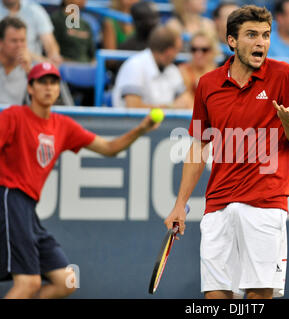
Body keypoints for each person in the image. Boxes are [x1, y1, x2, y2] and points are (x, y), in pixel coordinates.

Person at [164, 5, 289, 299]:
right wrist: (180, 203)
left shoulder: (283, 75)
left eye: (266, 35)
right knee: (215, 297)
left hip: (264, 205)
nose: (261, 43)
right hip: (217, 206)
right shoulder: (207, 84)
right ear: (231, 40)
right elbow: (198, 147)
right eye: (252, 35)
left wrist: (288, 121)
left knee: (257, 298)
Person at [0, 62, 160, 299]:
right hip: (9, 198)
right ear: (30, 88)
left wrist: (141, 129)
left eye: (53, 82)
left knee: (66, 281)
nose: (48, 87)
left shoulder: (62, 125)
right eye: (42, 82)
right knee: (28, 283)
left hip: (28, 209)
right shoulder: (14, 116)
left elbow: (108, 148)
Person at [112, 25, 191, 109]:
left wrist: (198, 122)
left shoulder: (172, 70)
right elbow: (133, 107)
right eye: (176, 50)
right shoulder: (135, 66)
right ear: (168, 51)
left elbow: (187, 102)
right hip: (132, 122)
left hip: (165, 121)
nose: (176, 56)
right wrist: (170, 107)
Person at [0, 0, 62, 66]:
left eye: (22, 40)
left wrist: (52, 59)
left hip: (33, 66)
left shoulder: (35, 10)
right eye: (14, 41)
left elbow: (50, 46)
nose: (18, 44)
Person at [178, 31, 219, 109]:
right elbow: (185, 101)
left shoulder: (222, 73)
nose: (198, 54)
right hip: (193, 118)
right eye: (194, 49)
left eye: (204, 50)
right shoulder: (183, 71)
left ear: (213, 51)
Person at [0, 16, 30, 105]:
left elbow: (39, 106)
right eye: (14, 41)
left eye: (22, 40)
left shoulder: (31, 70)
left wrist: (29, 72)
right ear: (1, 42)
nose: (19, 45)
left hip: (17, 117)